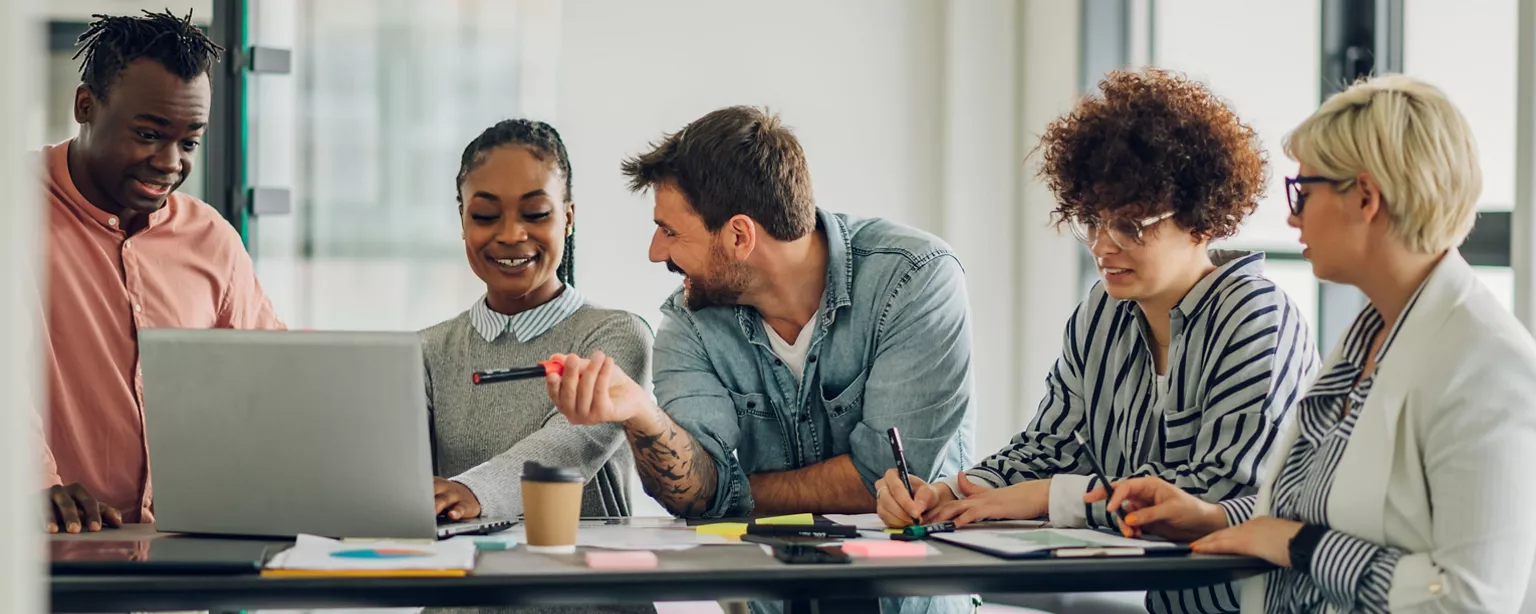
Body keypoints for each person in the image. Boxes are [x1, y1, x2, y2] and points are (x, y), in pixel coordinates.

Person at [874, 69, 1318, 613]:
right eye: (1092, 220)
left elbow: (1217, 491)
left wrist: (1047, 497)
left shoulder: (1257, 316)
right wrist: (951, 493)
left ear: (1201, 221)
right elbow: (1048, 444)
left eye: (1131, 225)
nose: (1102, 246)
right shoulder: (1102, 310)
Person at [1095, 75, 1536, 613]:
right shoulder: (1365, 343)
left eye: (1303, 192)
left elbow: (1472, 600)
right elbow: (1320, 519)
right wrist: (1215, 517)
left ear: (1366, 197)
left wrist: (1301, 546)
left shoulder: (1487, 365)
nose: (1291, 215)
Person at [544, 106, 976, 614]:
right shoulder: (690, 322)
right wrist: (643, 416)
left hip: (907, 603)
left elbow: (879, 477)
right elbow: (693, 494)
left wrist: (730, 493)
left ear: (740, 236)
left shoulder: (915, 281)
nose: (655, 252)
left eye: (670, 231)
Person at [38, 9, 283, 534]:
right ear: (85, 105)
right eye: (149, 134)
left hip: (179, 555)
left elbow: (271, 383)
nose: (171, 162)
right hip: (43, 558)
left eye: (189, 142)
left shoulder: (211, 239)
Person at [421, 120, 654, 614]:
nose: (510, 234)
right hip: (463, 602)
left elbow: (568, 446)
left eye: (536, 213)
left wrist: (470, 490)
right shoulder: (428, 349)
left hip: (585, 605)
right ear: (462, 220)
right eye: (485, 215)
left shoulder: (615, 335)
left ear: (568, 218)